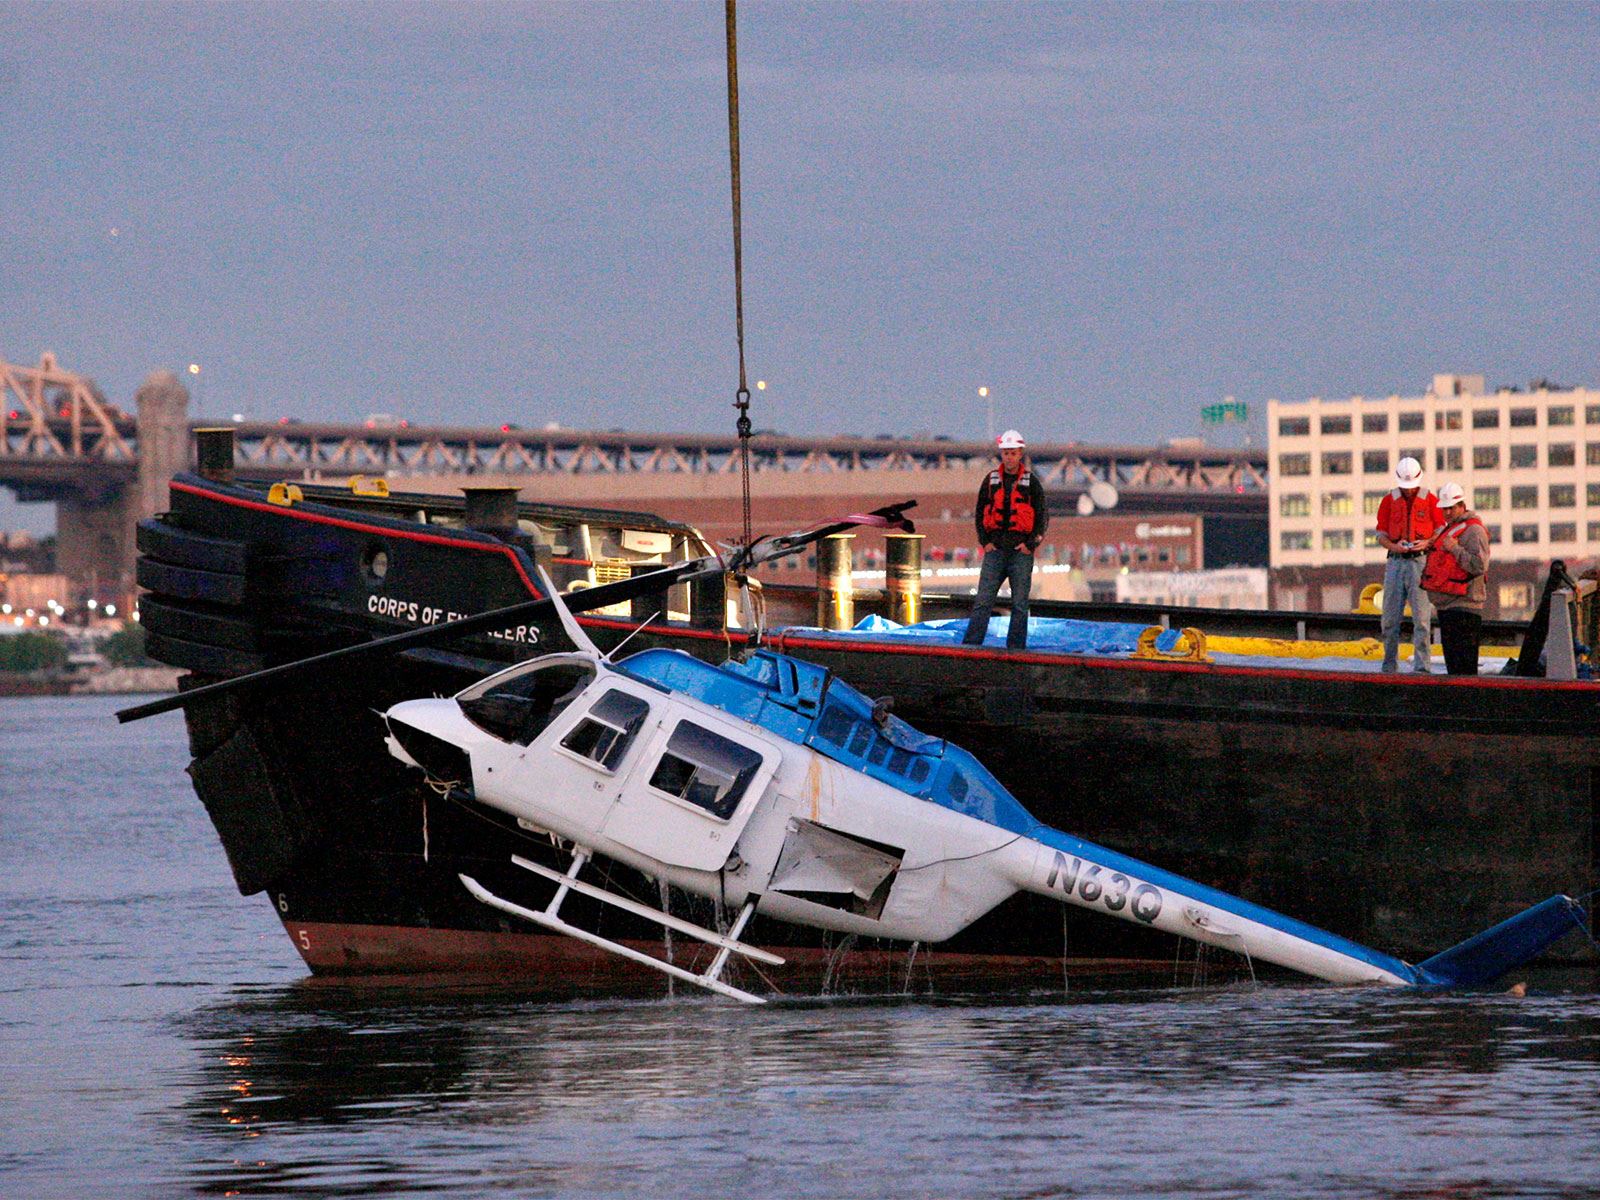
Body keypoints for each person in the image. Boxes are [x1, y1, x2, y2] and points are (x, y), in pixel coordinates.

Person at [962, 429, 1048, 649]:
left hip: (1020, 553)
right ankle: (971, 647)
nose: (1009, 457)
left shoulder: (1031, 482)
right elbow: (980, 513)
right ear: (1002, 454)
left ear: (1020, 454)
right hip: (995, 552)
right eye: (1006, 453)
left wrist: (1031, 544)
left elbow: (1042, 517)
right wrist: (985, 542)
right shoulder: (991, 480)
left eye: (1013, 453)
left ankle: (1016, 649)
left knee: (1020, 604)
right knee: (983, 601)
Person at [1373, 456, 1442, 673]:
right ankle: (1389, 666)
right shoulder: (1388, 501)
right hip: (1395, 562)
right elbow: (1381, 535)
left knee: (1422, 619)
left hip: (1421, 563)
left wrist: (1427, 542)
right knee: (1390, 619)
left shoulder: (1430, 500)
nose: (1409, 490)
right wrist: (1396, 547)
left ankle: (1422, 668)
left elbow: (1441, 531)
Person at [1422, 481, 1490, 676]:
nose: (1447, 513)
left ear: (1462, 506)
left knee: (1465, 667)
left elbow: (1479, 565)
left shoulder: (1474, 531)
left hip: (1466, 606)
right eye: (1444, 509)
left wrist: (1454, 548)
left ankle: (1468, 696)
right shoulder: (1448, 530)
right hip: (1447, 606)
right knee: (1453, 668)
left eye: (1451, 508)